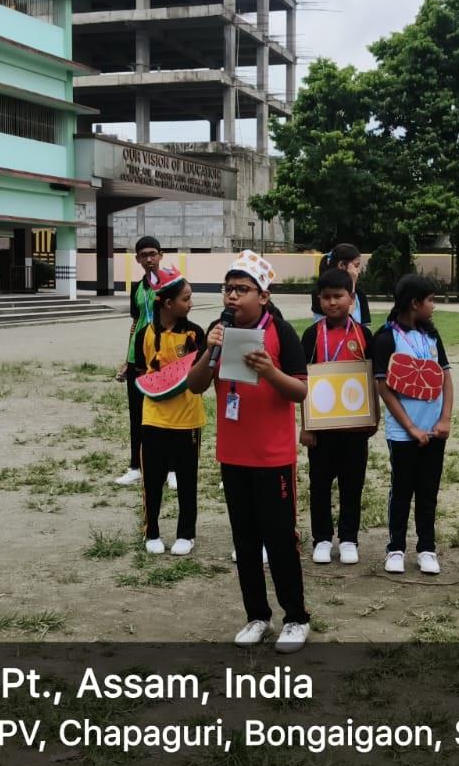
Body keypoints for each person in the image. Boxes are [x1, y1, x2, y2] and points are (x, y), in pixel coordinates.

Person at [185, 250, 310, 653]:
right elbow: (195, 385)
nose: (232, 297)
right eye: (228, 289)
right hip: (233, 455)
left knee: (279, 540)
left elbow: (301, 390)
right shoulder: (216, 331)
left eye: (242, 289)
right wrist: (209, 350)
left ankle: (296, 618)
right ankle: (257, 616)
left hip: (273, 458)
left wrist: (268, 370)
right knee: (245, 540)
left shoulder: (282, 333)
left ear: (264, 297)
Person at [373, 273, 453, 575]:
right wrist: (410, 428)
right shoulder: (386, 337)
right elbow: (384, 387)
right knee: (402, 490)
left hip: (435, 432)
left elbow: (445, 376)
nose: (434, 306)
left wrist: (444, 419)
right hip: (404, 434)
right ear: (414, 303)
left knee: (428, 491)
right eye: (430, 300)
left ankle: (427, 549)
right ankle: (395, 549)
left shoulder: (432, 336)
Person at [300, 267, 375, 567]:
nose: (332, 303)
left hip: (355, 428)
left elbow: (373, 380)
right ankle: (321, 539)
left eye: (338, 296)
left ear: (352, 298)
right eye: (326, 297)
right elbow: (301, 381)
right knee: (319, 484)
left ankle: (348, 539)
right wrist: (305, 426)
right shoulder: (311, 335)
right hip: (321, 429)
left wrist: (375, 418)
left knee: (352, 484)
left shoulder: (364, 335)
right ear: (319, 300)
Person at [133, 268, 205, 557]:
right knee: (152, 480)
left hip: (187, 419)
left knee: (188, 481)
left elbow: (198, 373)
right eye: (186, 299)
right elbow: (142, 372)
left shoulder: (195, 333)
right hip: (153, 418)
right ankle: (151, 531)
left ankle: (186, 534)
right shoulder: (145, 334)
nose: (191, 304)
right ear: (168, 303)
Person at [113, 236, 163, 487]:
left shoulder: (171, 284)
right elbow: (135, 323)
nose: (149, 259)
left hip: (163, 357)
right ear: (138, 259)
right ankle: (136, 466)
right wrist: (127, 359)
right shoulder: (137, 288)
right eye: (144, 255)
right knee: (137, 414)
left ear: (161, 256)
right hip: (137, 358)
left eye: (153, 254)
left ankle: (171, 469)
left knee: (166, 413)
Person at [308, 243, 371, 326]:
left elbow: (365, 326)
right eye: (356, 266)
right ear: (341, 265)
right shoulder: (321, 291)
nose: (358, 271)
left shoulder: (359, 292)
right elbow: (346, 319)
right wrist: (352, 282)